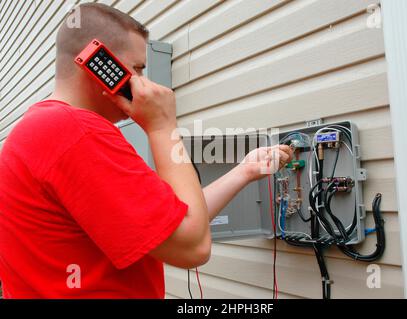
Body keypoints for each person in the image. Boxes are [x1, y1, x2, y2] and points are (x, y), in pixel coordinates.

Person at [0, 3, 292, 298]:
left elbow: (171, 223)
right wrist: (163, 126)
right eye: (137, 68)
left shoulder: (43, 128)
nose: (143, 82)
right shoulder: (76, 131)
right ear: (96, 61)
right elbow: (192, 246)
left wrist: (244, 171)